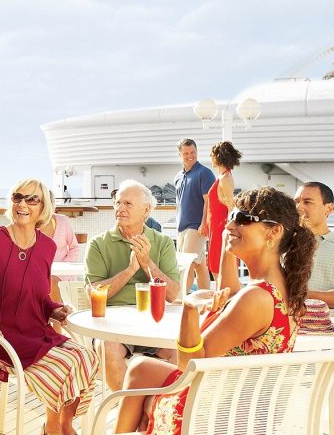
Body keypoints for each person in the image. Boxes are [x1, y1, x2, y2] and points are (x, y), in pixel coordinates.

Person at [115, 187, 314, 435]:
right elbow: (230, 294)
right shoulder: (281, 287)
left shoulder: (255, 298)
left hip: (217, 417)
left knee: (142, 379)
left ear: (274, 231)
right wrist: (228, 246)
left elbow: (190, 366)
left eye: (243, 219)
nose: (230, 224)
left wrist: (188, 307)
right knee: (141, 367)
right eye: (232, 216)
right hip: (246, 408)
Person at [0, 179, 98, 435]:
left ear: (43, 207)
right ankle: (52, 430)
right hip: (3, 339)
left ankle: (63, 426)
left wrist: (56, 310)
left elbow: (40, 296)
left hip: (36, 333)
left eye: (32, 199)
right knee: (64, 365)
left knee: (87, 357)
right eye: (18, 197)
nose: (22, 204)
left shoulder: (47, 246)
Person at [85, 180, 180, 391]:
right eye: (118, 203)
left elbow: (173, 295)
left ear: (146, 210)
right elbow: (94, 294)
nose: (120, 208)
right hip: (113, 325)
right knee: (107, 347)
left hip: (156, 323)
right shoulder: (98, 244)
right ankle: (128, 407)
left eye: (128, 203)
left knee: (182, 351)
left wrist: (148, 265)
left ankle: (159, 407)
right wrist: (128, 271)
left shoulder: (163, 242)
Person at [295, 182, 334, 317]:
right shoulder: (283, 244)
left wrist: (302, 295)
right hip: (291, 330)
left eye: (307, 202)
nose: (299, 207)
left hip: (333, 331)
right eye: (297, 201)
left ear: (328, 209)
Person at [174, 138, 216, 291]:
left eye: (192, 152)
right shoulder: (178, 177)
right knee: (199, 263)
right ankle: (206, 295)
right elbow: (180, 203)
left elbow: (209, 201)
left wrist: (204, 223)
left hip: (196, 226)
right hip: (182, 227)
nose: (190, 156)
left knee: (186, 262)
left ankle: (182, 295)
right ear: (180, 155)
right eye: (186, 153)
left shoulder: (205, 173)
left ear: (197, 152)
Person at [205, 141, 242, 276]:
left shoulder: (226, 178)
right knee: (216, 267)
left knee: (219, 268)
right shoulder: (222, 176)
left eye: (212, 154)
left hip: (220, 226)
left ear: (218, 156)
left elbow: (231, 206)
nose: (211, 157)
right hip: (215, 226)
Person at [41, 190, 80, 316]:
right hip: (39, 270)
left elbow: (74, 248)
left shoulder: (63, 221)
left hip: (62, 271)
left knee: (52, 282)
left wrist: (63, 266)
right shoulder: (31, 224)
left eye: (47, 203)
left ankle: (56, 330)